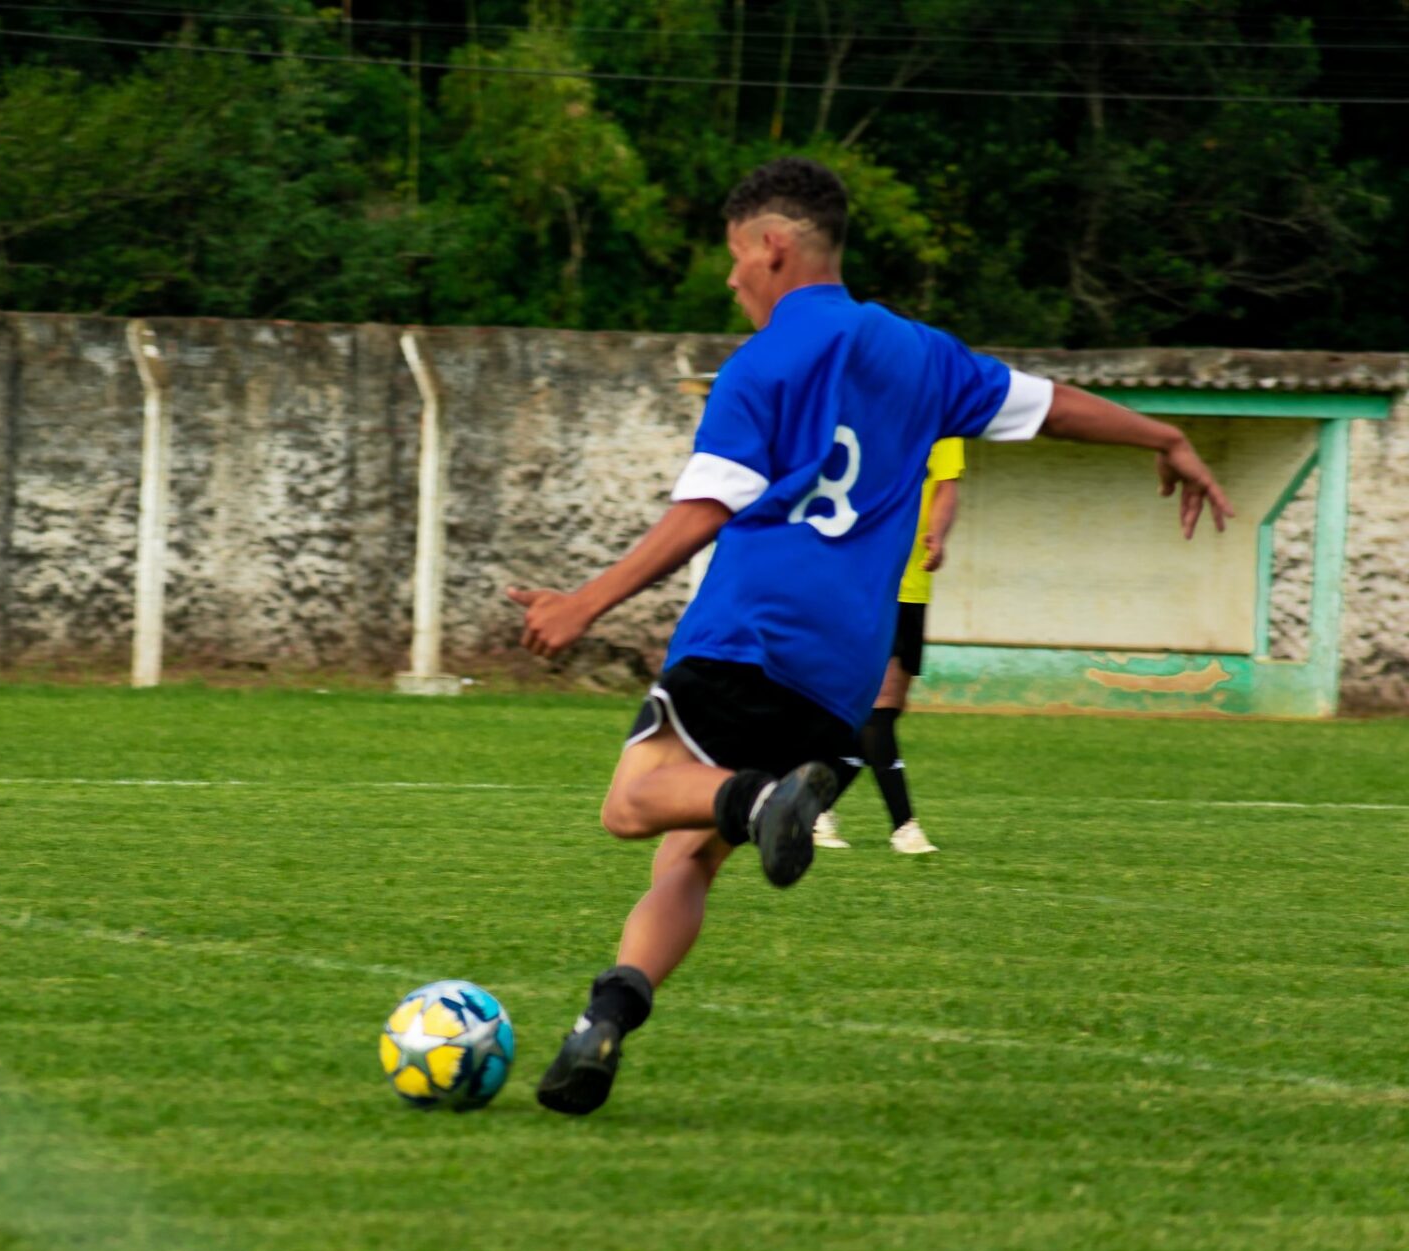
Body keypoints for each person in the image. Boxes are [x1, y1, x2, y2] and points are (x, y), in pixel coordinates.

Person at [505, 156, 1233, 1117]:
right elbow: (1051, 406)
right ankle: (604, 1018)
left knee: (635, 803)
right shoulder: (923, 355)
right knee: (687, 854)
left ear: (773, 247)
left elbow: (702, 513)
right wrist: (1165, 438)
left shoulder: (760, 366)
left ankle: (762, 798)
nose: (731, 282)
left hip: (750, 633)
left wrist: (582, 602)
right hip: (845, 675)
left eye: (735, 260)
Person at [813, 436, 963, 855]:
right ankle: (904, 826)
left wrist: (937, 532)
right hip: (866, 580)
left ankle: (811, 808)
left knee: (886, 710)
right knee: (879, 706)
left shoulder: (944, 422)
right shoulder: (870, 413)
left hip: (914, 586)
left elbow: (947, 486)